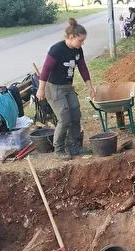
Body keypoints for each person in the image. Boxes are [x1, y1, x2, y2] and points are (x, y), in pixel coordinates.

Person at [36, 18, 96, 159]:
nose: (82, 43)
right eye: (80, 40)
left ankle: (74, 147)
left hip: (68, 87)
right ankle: (59, 149)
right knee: (64, 119)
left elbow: (83, 68)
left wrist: (90, 87)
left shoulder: (78, 50)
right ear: (71, 37)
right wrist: (41, 89)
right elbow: (45, 70)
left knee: (75, 116)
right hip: (54, 88)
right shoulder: (56, 50)